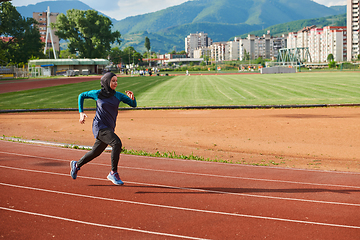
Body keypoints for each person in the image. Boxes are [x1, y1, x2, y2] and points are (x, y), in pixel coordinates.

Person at [70, 72, 137, 185]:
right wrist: (81, 112)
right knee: (116, 143)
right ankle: (113, 173)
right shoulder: (97, 94)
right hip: (99, 126)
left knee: (95, 152)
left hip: (109, 128)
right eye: (113, 81)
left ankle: (76, 165)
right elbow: (81, 95)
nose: (116, 83)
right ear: (106, 81)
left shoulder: (118, 95)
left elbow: (133, 104)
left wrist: (133, 98)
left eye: (116, 81)